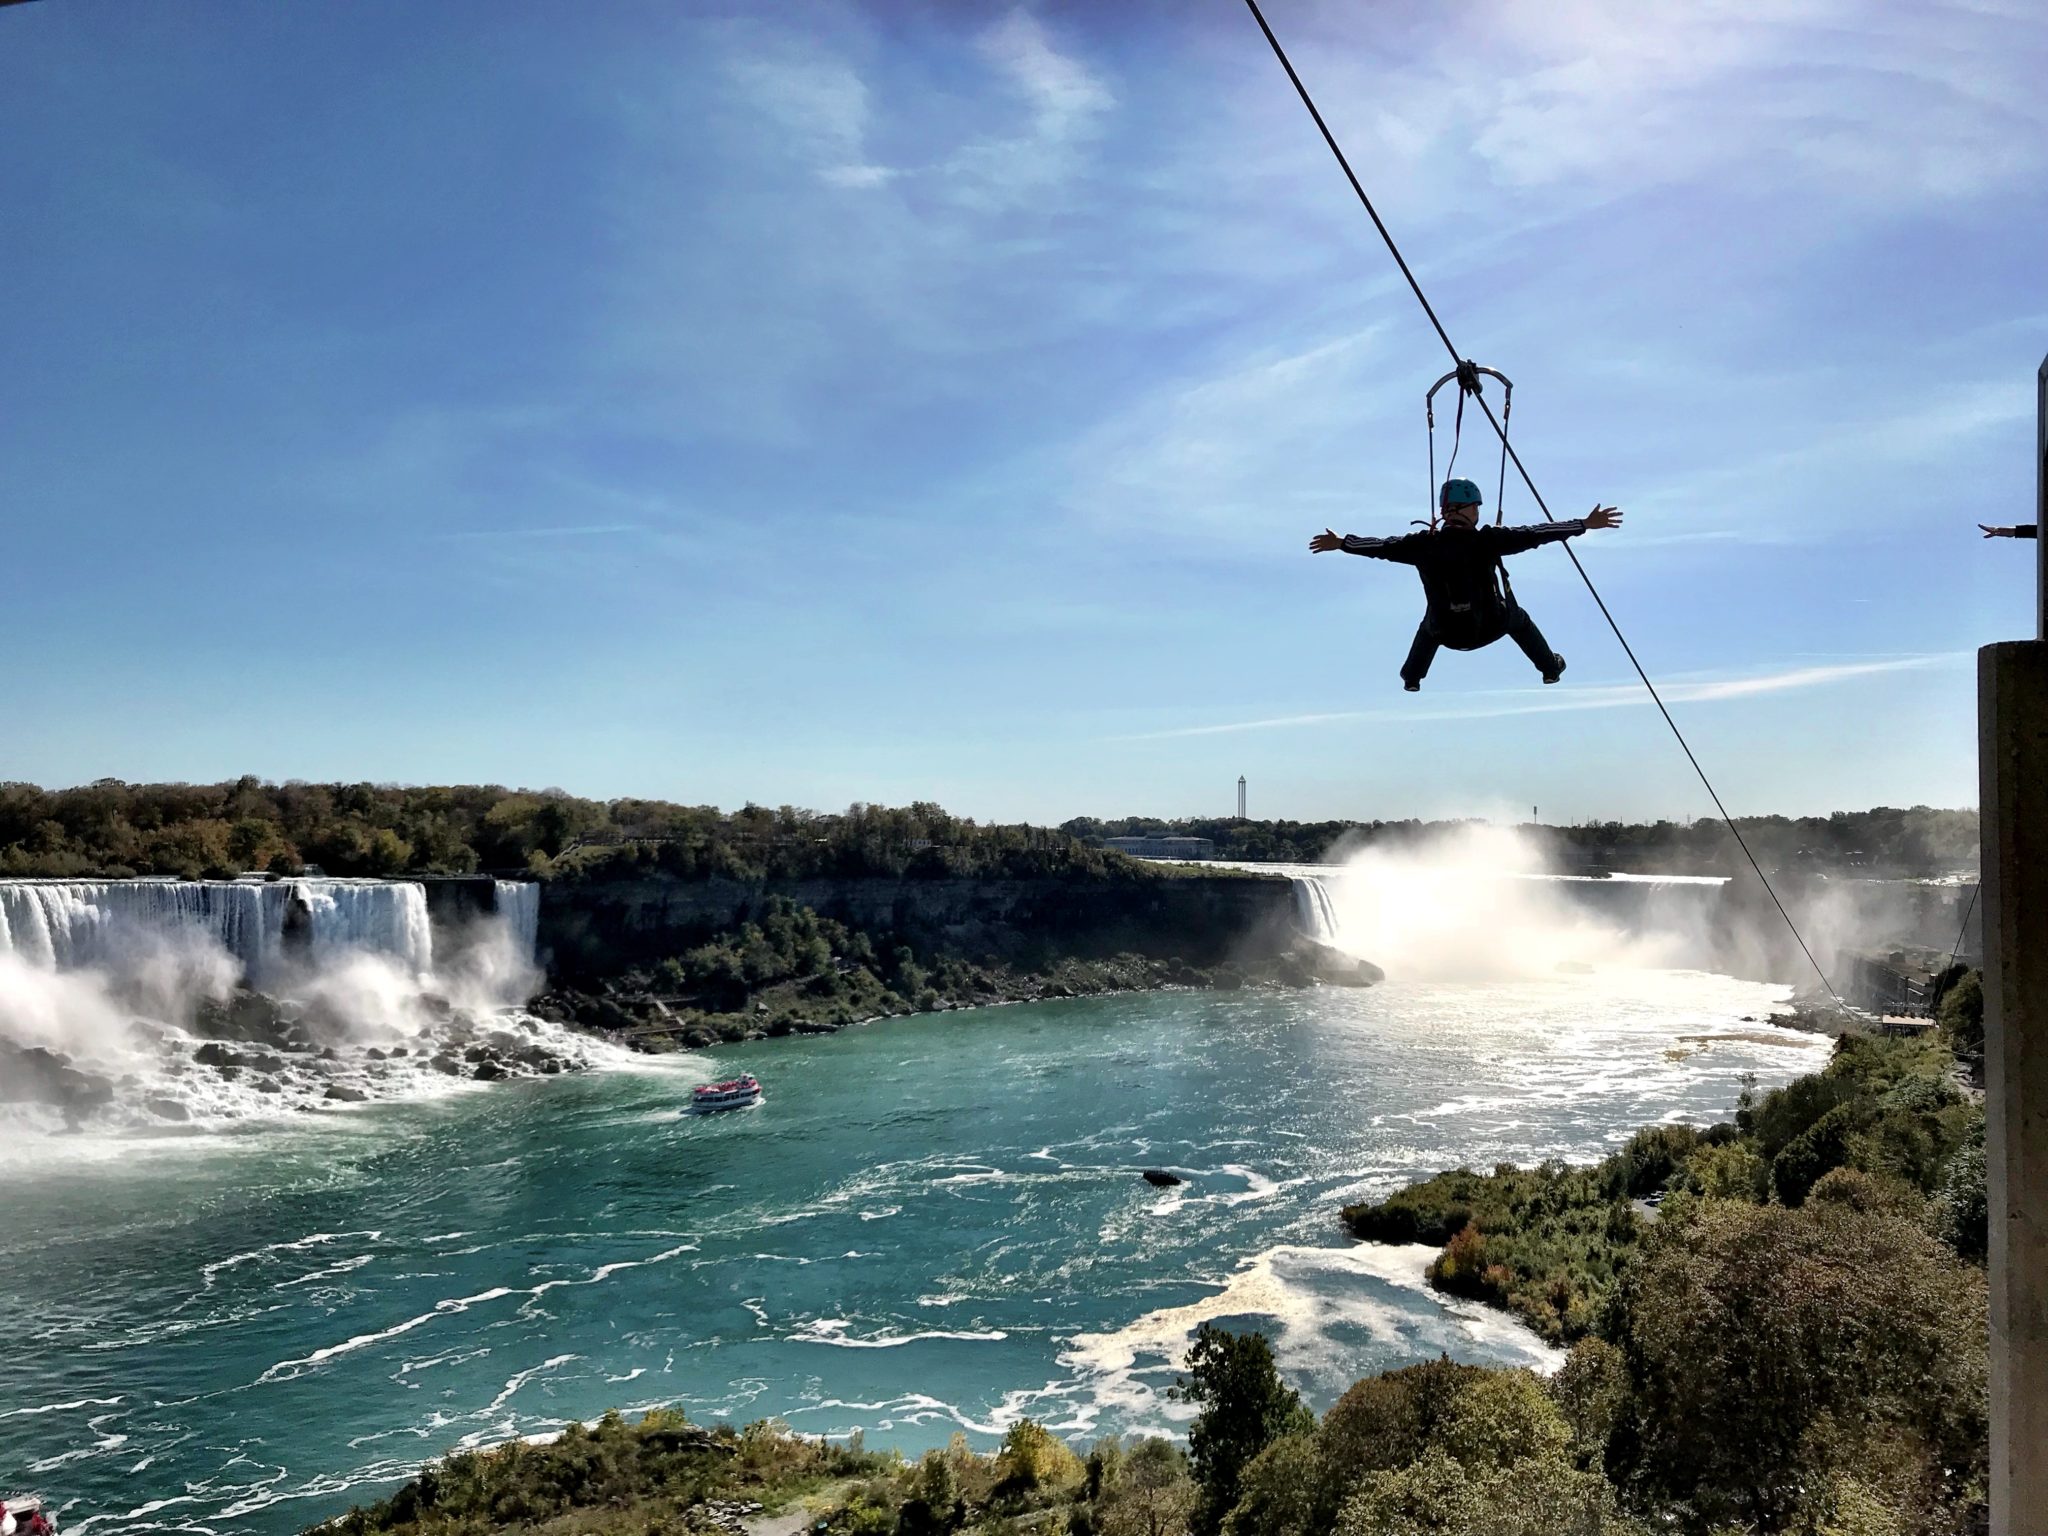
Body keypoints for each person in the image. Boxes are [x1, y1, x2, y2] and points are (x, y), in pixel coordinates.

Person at [1310, 477, 1622, 690]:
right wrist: (1583, 524)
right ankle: (1550, 669)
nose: (1478, 512)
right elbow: (1536, 533)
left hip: (1446, 632)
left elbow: (1381, 547)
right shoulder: (1488, 540)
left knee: (1429, 623)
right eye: (1476, 507)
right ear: (1465, 508)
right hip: (1489, 626)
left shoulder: (1422, 544)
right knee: (1518, 618)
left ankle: (1411, 677)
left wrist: (1342, 543)